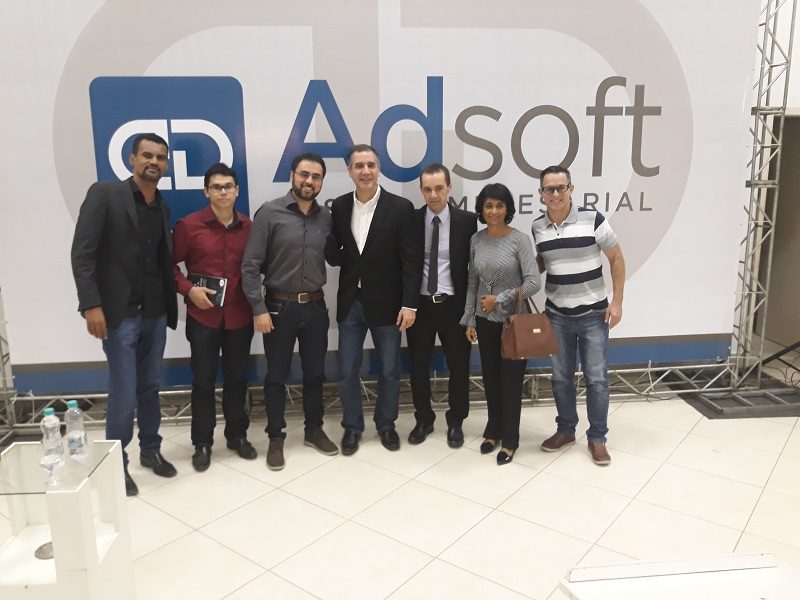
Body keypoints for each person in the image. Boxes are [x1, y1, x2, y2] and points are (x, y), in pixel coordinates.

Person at [71, 132, 178, 496]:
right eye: (147, 155)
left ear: (166, 164)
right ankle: (115, 465)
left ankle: (151, 450)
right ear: (132, 159)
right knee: (124, 392)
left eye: (160, 157)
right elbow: (82, 254)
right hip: (120, 315)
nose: (154, 162)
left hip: (155, 313)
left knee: (150, 387)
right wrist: (91, 304)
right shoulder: (105, 194)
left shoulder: (162, 206)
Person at [242, 153, 339, 471]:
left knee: (315, 374)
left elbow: (337, 255)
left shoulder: (327, 217)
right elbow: (250, 265)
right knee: (276, 377)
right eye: (304, 174)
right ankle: (276, 437)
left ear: (322, 182)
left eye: (316, 176)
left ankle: (314, 430)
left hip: (315, 306)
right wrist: (258, 308)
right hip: (278, 308)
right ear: (292, 175)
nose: (309, 181)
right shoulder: (269, 213)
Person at [325, 144, 422, 455]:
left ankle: (386, 425)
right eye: (359, 166)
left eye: (370, 165)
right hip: (351, 302)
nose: (365, 171)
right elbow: (337, 254)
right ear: (350, 171)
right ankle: (352, 427)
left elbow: (411, 261)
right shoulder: (340, 207)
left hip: (389, 303)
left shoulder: (401, 207)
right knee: (346, 371)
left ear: (379, 169)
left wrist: (409, 303)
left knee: (390, 370)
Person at [530, 165, 625, 466]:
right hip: (556, 315)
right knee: (560, 378)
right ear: (541, 193)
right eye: (549, 189)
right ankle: (566, 431)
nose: (555, 193)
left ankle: (597, 438)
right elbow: (544, 262)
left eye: (561, 187)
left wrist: (617, 302)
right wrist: (518, 279)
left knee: (597, 379)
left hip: (594, 314)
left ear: (571, 189)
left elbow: (616, 259)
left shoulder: (593, 219)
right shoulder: (537, 227)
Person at [173, 162, 256, 472]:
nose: (223, 192)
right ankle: (202, 443)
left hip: (239, 316)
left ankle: (237, 436)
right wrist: (188, 290)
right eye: (217, 187)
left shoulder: (249, 227)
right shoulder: (188, 226)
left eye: (228, 187)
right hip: (203, 318)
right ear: (206, 191)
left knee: (237, 379)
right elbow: (169, 265)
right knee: (203, 381)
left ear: (237, 191)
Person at [460, 183, 540, 465]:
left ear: (508, 209)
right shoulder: (476, 240)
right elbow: (472, 282)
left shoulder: (519, 240)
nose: (493, 211)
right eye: (488, 206)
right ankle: (492, 430)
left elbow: (533, 283)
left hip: (513, 324)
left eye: (499, 205)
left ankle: (510, 440)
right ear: (481, 210)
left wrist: (501, 299)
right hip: (485, 323)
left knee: (511, 383)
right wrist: (470, 318)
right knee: (491, 380)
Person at [406, 163, 477, 448]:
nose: (433, 195)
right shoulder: (411, 220)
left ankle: (456, 421)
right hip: (420, 306)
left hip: (453, 306)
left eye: (438, 188)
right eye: (427, 189)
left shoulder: (467, 221)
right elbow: (405, 265)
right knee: (418, 366)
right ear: (421, 190)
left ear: (449, 187)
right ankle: (423, 419)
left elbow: (473, 268)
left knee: (459, 366)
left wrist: (471, 312)